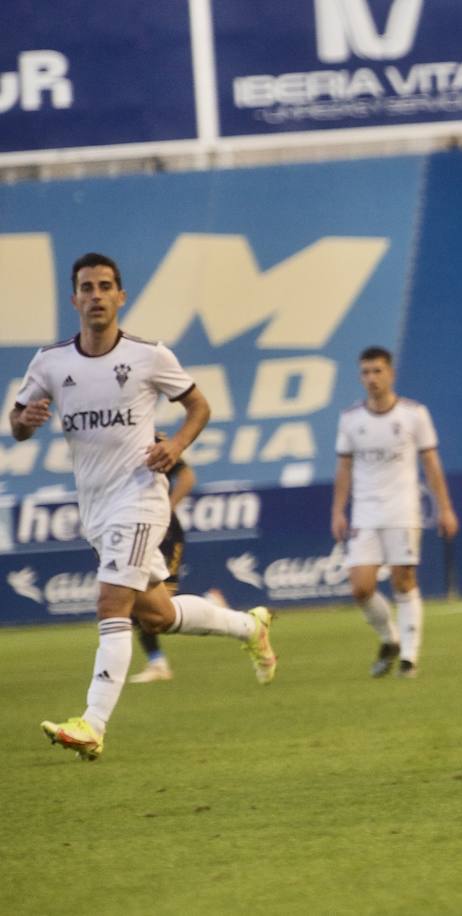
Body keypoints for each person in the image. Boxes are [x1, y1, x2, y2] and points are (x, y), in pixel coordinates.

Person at [11, 252, 277, 762]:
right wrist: (27, 418)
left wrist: (176, 446)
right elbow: (18, 424)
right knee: (154, 615)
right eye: (86, 287)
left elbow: (199, 406)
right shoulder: (50, 363)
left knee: (111, 605)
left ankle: (92, 723)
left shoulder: (149, 356)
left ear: (120, 296)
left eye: (104, 286)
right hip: (95, 506)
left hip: (140, 497)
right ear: (74, 299)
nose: (95, 295)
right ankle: (250, 626)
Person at [331, 346, 458, 678]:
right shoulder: (350, 419)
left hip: (403, 508)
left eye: (377, 371)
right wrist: (337, 511)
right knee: (360, 587)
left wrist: (445, 508)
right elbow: (343, 468)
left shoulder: (414, 414)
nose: (371, 378)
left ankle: (409, 659)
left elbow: (431, 464)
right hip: (365, 513)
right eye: (365, 372)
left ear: (391, 373)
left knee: (404, 580)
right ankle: (390, 638)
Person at [127, 433, 229, 683]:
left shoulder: (151, 435)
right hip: (129, 528)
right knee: (134, 603)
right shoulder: (106, 432)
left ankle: (210, 606)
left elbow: (186, 476)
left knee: (155, 607)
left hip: (162, 530)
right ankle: (157, 662)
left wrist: (167, 508)